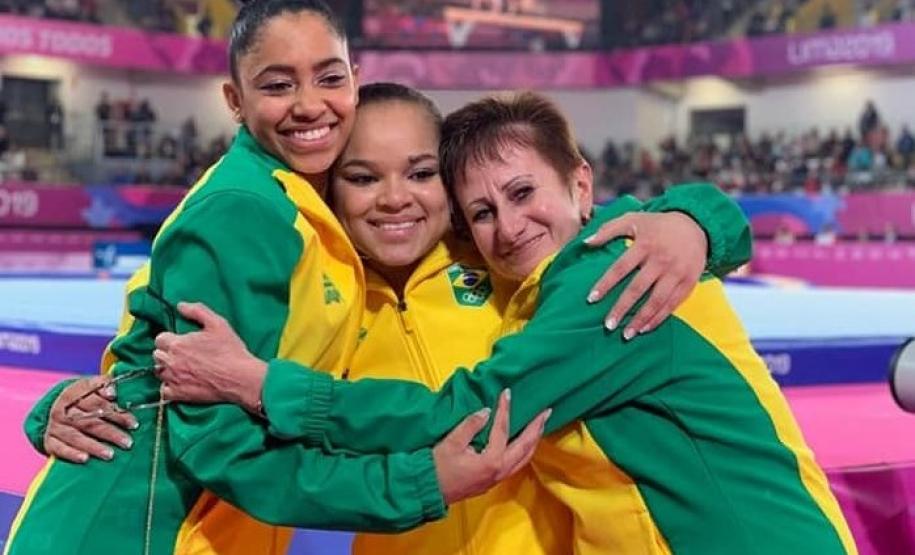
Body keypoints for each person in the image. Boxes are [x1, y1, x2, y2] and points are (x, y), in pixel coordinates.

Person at [26, 83, 754, 555]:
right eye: (362, 177)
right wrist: (54, 408)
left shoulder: (505, 264)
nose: (395, 198)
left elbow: (595, 226)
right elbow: (154, 353)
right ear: (328, 190)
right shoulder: (306, 289)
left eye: (421, 172)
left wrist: (694, 221)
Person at [5, 3, 550, 554]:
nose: (309, 104)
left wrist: (617, 227)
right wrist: (420, 484)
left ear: (353, 80)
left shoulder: (325, 225)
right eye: (277, 85)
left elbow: (146, 338)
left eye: (329, 78)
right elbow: (208, 432)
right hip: (139, 532)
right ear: (235, 101)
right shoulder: (245, 207)